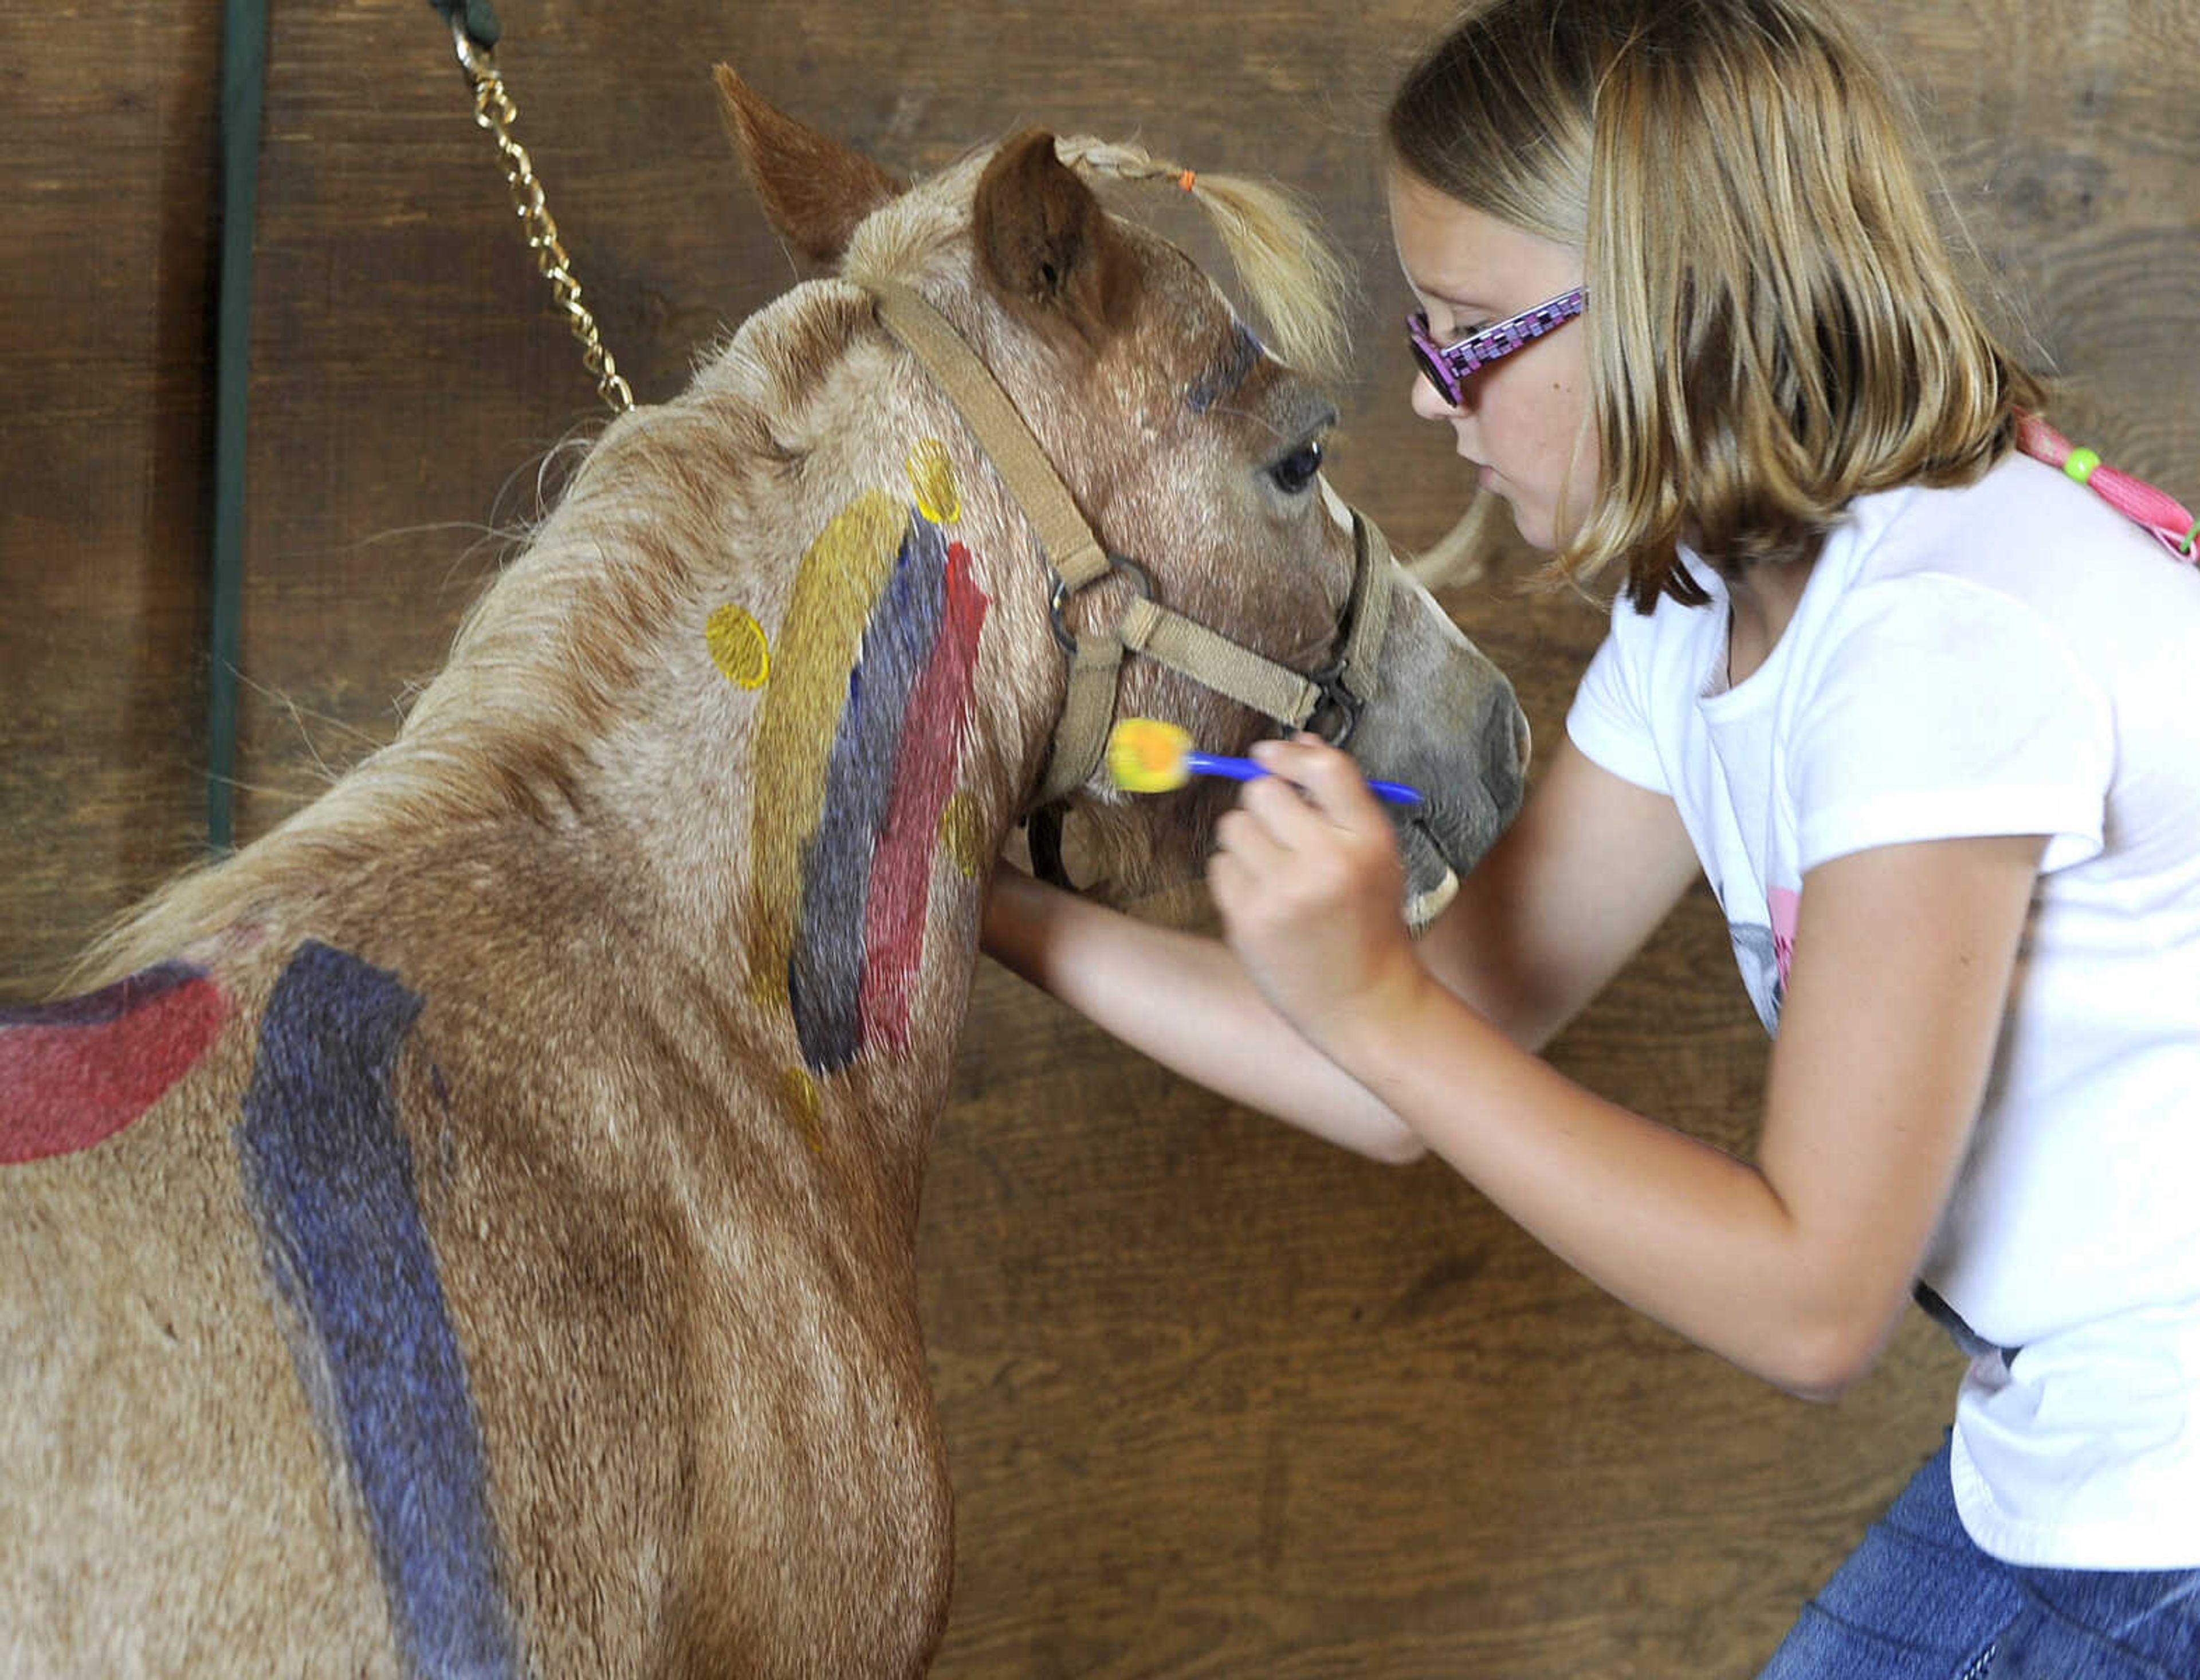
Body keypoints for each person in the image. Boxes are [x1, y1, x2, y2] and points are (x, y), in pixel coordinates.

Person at [980, 1, 2200, 1674]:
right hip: (2078, 1442)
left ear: (1685, 308)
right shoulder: (1702, 622)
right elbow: (1404, 1076)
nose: (1430, 398)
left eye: (1471, 332)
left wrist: (1381, 1007)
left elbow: (1812, 1304)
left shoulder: (1942, 638)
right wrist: (986, 909)